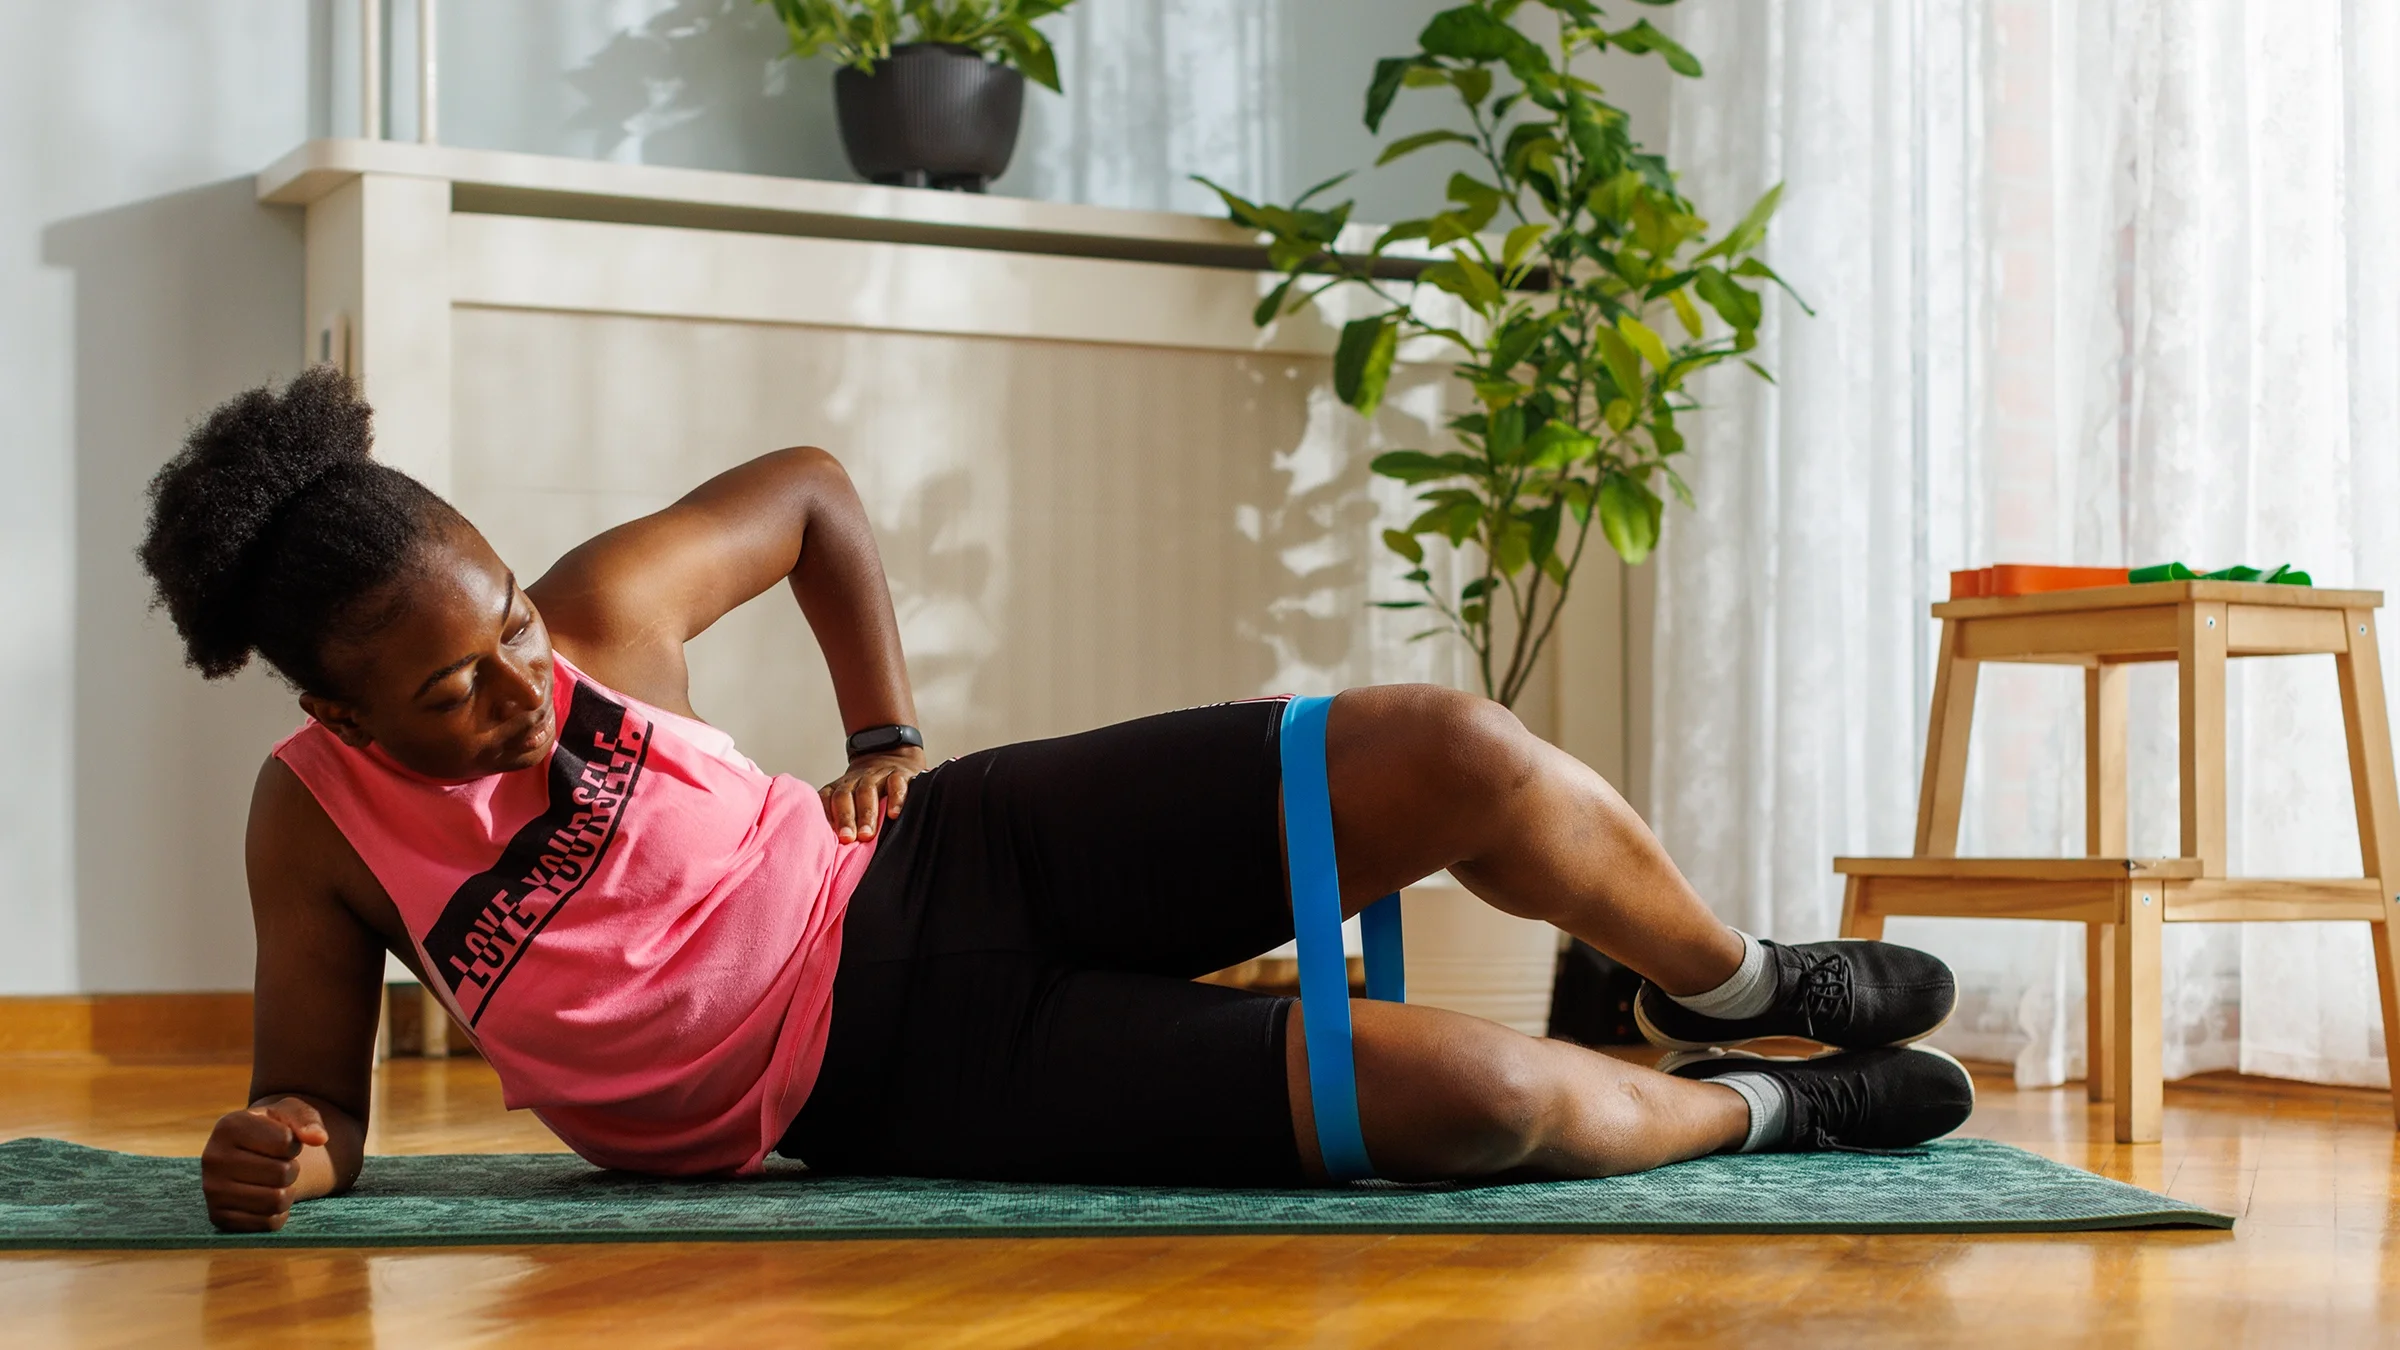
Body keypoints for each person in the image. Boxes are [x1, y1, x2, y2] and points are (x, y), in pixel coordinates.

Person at [140, 369, 1973, 1235]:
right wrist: (287, 1141)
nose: (522, 688)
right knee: (1481, 1102)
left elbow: (812, 493)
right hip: (880, 1076)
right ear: (339, 711)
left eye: (514, 630)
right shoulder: (314, 827)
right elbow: (320, 1091)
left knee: (1449, 748)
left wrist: (879, 736)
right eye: (452, 691)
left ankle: (1732, 983)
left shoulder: (604, 616)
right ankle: (1760, 1116)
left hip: (944, 850)